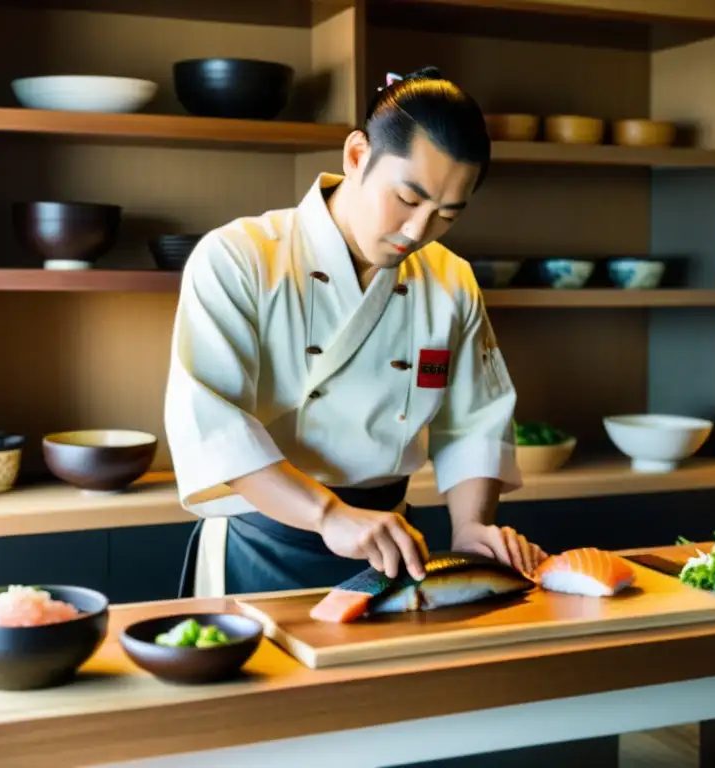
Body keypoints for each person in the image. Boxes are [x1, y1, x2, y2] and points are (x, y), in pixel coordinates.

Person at [165, 66, 546, 599]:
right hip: (263, 546)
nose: (418, 232)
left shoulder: (451, 279)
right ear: (355, 155)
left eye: (446, 215)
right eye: (408, 200)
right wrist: (326, 515)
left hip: (391, 545)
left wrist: (470, 527)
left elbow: (476, 424)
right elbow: (216, 426)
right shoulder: (239, 258)